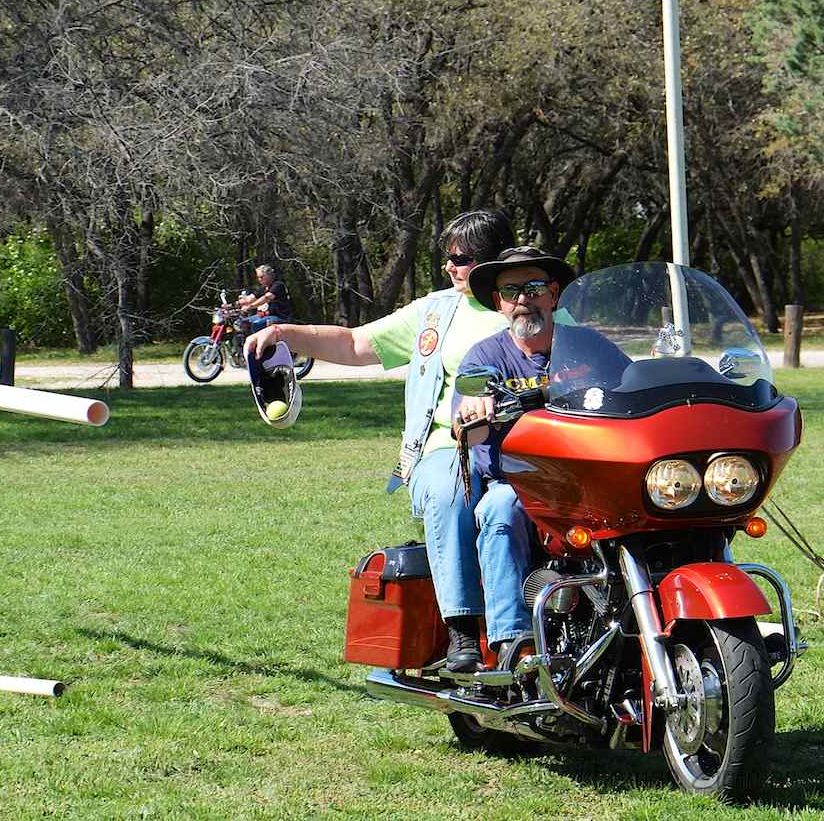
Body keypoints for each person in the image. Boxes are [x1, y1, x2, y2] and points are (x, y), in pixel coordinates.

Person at [246, 208, 515, 672]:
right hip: (448, 449)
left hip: (524, 449)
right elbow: (355, 343)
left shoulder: (531, 304)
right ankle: (462, 631)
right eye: (447, 257)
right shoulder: (436, 312)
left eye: (460, 258)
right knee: (451, 491)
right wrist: (284, 333)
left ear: (492, 260)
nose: (449, 266)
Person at [450, 247, 628, 667]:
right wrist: (473, 410)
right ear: (499, 303)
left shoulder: (588, 346)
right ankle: (515, 643)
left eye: (533, 288)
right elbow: (465, 422)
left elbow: (632, 385)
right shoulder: (485, 357)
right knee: (500, 509)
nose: (522, 300)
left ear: (553, 294)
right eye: (511, 292)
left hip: (589, 480)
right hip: (520, 483)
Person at [235, 264, 292, 335]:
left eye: (262, 277)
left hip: (279, 317)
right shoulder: (263, 288)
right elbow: (250, 298)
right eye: (258, 277)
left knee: (255, 325)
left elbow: (266, 298)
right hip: (265, 315)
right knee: (241, 323)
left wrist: (250, 306)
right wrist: (233, 305)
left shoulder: (278, 285)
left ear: (269, 275)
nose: (259, 279)